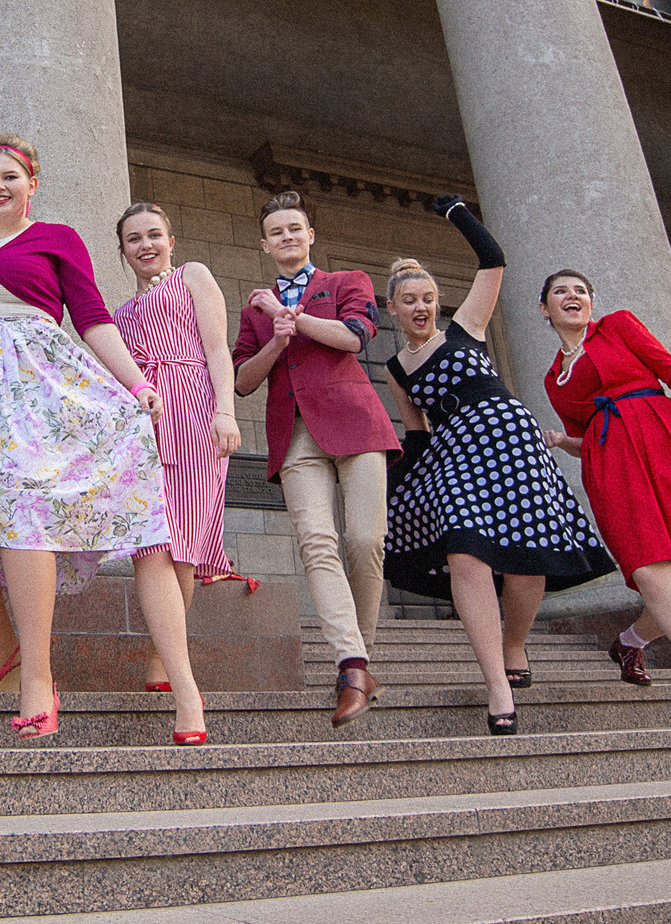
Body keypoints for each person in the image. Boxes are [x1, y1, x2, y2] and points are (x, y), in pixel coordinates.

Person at [0, 135, 207, 746]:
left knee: (27, 516)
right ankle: (5, 645)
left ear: (32, 184)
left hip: (35, 385)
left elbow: (93, 318)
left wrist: (135, 382)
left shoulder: (57, 239)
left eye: (10, 176)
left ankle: (39, 681)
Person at [378, 196, 612, 735]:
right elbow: (416, 434)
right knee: (466, 554)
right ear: (392, 308)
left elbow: (494, 260)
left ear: (438, 303)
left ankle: (514, 644)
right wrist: (395, 489)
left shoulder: (465, 327)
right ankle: (496, 685)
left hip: (508, 436)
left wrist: (456, 212)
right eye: (409, 300)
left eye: (428, 297)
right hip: (455, 452)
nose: (420, 306)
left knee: (529, 562)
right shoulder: (394, 367)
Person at [540, 270, 671, 727]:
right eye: (560, 291)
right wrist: (563, 442)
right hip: (614, 467)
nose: (572, 296)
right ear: (545, 309)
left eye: (580, 290)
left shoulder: (618, 326)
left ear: (591, 304)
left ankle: (629, 643)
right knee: (655, 579)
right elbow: (588, 436)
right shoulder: (554, 379)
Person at [231, 191, 402, 727]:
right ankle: (352, 666)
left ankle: (362, 655)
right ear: (264, 244)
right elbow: (241, 381)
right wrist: (275, 341)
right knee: (317, 544)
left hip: (356, 422)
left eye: (295, 228)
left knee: (364, 540)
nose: (286, 236)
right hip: (294, 432)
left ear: (310, 236)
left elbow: (353, 339)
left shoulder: (347, 282)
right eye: (276, 231)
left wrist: (288, 317)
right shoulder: (253, 312)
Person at [113, 203, 241, 690]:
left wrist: (224, 413)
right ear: (123, 251)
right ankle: (166, 653)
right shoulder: (120, 312)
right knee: (156, 540)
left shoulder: (193, 276)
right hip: (145, 420)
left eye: (154, 235)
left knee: (182, 544)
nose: (145, 245)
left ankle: (163, 656)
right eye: (133, 239)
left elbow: (216, 350)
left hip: (193, 412)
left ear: (171, 240)